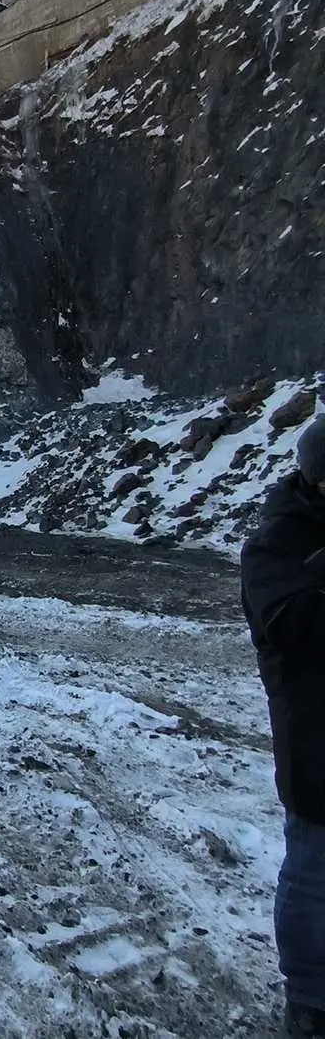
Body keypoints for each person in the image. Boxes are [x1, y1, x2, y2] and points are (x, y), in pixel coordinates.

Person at [242, 412, 325, 1036]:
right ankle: (311, 1004)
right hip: (315, 738)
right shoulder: (280, 542)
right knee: (313, 875)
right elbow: (287, 626)